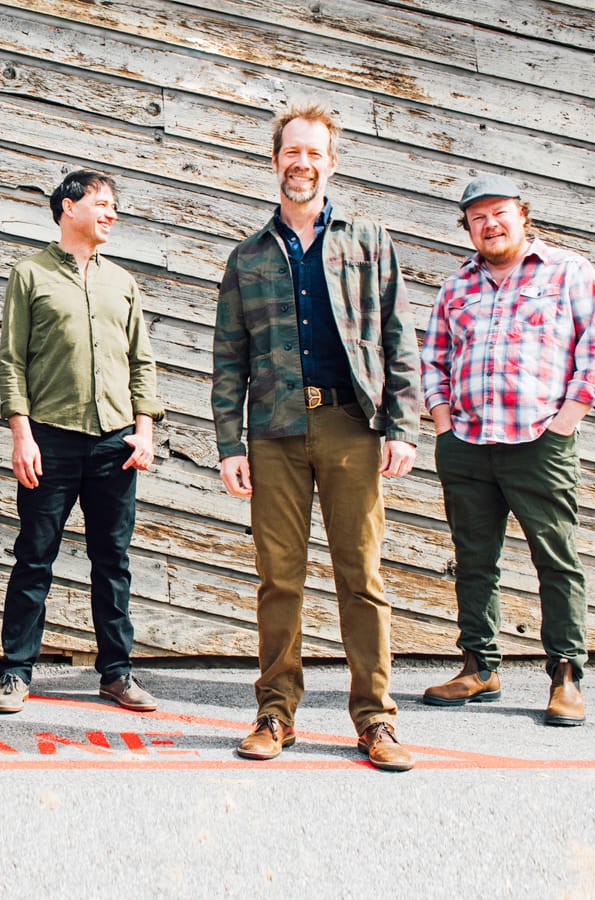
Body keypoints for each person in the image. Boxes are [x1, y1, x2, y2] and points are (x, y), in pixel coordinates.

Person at [210, 100, 424, 772]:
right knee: (279, 578)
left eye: (313, 153)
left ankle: (376, 719)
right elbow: (228, 358)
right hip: (274, 432)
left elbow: (398, 338)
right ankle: (275, 712)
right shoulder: (248, 257)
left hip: (350, 427)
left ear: (331, 163)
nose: (301, 163)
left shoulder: (368, 241)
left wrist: (403, 425)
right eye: (291, 152)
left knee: (362, 575)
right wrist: (229, 443)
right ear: (275, 162)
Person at [420, 175, 595, 726]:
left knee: (556, 559)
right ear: (468, 228)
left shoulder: (568, 272)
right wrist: (443, 425)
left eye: (499, 213)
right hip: (467, 444)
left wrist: (564, 424)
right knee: (473, 561)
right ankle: (478, 666)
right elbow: (433, 359)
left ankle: (566, 676)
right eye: (477, 217)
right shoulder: (456, 286)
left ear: (522, 216)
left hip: (538, 444)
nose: (490, 224)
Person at [0, 170, 163, 715]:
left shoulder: (123, 283)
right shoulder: (30, 274)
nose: (111, 214)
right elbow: (12, 362)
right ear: (68, 207)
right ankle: (15, 673)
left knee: (113, 561)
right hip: (50, 441)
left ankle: (116, 673)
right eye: (102, 203)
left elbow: (142, 362)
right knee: (34, 559)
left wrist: (144, 430)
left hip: (116, 443)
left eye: (114, 206)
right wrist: (22, 436)